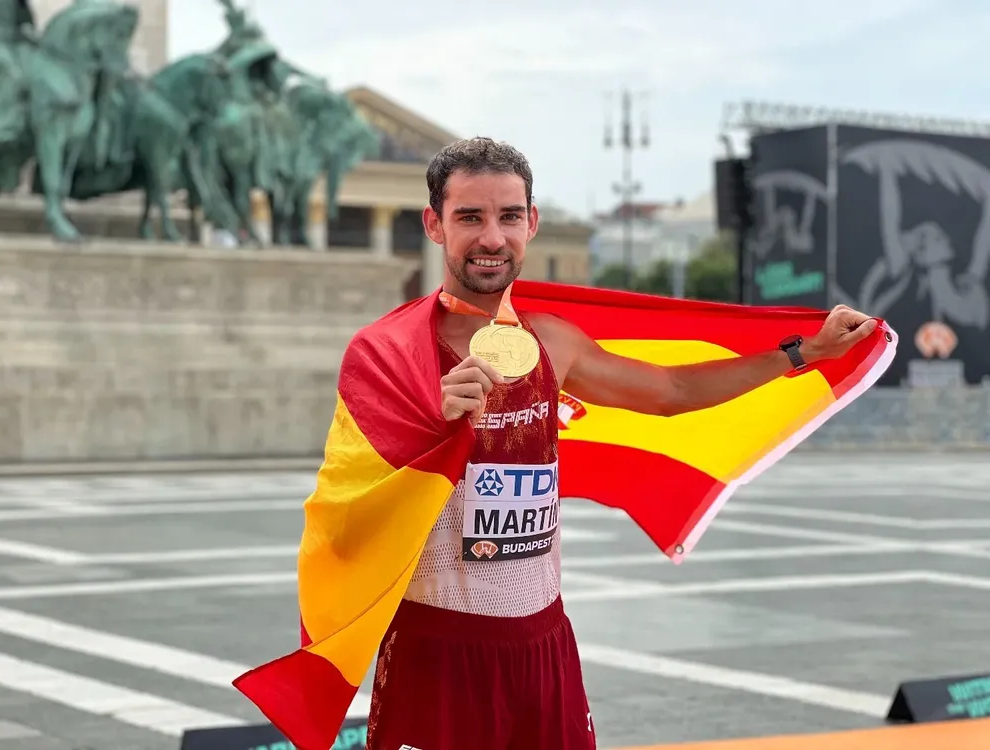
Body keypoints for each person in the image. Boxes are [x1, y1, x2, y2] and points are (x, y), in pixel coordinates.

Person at [364, 137, 877, 750]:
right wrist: (431, 421)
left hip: (542, 640)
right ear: (434, 225)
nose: (492, 237)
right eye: (469, 217)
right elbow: (349, 506)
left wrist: (803, 353)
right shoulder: (389, 353)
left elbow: (670, 391)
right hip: (437, 644)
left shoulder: (555, 342)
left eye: (508, 216)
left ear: (532, 223)